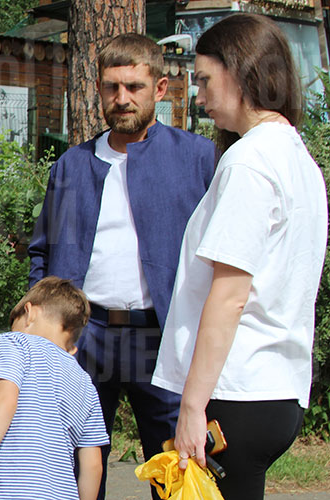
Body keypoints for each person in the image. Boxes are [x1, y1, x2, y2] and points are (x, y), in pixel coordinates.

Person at [26, 33, 215, 499]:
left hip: (163, 337)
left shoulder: (197, 158)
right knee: (73, 463)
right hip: (83, 338)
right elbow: (42, 252)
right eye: (111, 87)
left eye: (134, 87)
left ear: (162, 88)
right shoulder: (71, 165)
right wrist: (40, 329)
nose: (122, 99)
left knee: (178, 463)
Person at [152, 14, 328, 500]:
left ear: (241, 70)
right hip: (277, 389)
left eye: (205, 80)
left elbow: (229, 297)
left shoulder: (251, 161)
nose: (199, 96)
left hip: (237, 390)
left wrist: (191, 406)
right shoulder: (297, 156)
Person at [0, 277, 109, 500]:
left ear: (29, 313)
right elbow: (93, 464)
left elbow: (5, 400)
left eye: (14, 323)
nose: (13, 330)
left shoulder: (15, 343)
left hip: (13, 490)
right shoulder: (86, 382)